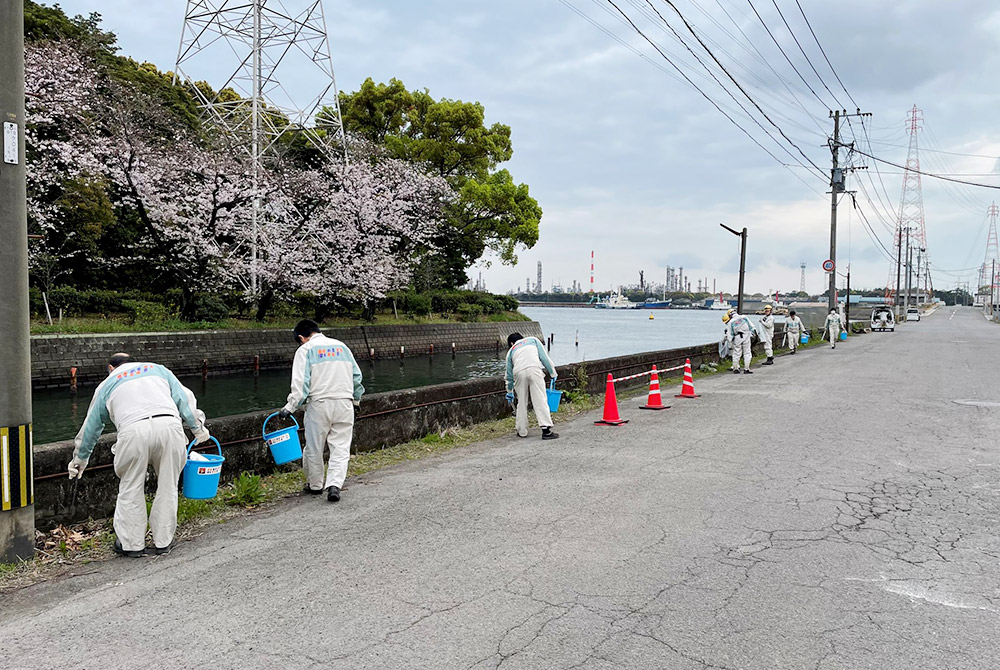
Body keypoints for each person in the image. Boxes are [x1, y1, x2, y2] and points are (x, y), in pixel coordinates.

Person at [68, 353, 210, 558]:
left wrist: (80, 459)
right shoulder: (159, 369)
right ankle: (163, 542)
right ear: (135, 361)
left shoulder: (107, 383)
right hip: (169, 425)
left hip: (133, 431)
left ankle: (132, 545)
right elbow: (184, 399)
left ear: (110, 368)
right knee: (167, 485)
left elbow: (92, 426)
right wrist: (198, 429)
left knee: (130, 486)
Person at [278, 319, 364, 502]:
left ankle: (315, 485)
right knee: (340, 447)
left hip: (319, 403)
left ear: (301, 337)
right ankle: (334, 485)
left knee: (314, 447)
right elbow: (357, 377)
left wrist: (290, 407)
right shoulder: (342, 347)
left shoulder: (305, 350)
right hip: (345, 402)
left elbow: (301, 384)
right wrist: (356, 401)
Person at [505, 332, 559, 439]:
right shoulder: (533, 340)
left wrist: (509, 391)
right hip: (534, 369)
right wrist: (553, 373)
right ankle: (546, 430)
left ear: (511, 343)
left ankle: (522, 431)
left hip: (518, 372)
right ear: (522, 338)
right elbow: (544, 358)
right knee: (540, 399)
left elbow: (509, 374)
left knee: (521, 401)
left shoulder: (511, 351)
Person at [722, 308, 754, 374]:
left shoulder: (731, 322)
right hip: (746, 335)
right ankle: (746, 369)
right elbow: (751, 326)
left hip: (737, 337)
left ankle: (735, 368)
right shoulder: (744, 317)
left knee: (736, 353)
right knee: (747, 352)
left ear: (730, 315)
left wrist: (730, 342)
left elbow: (729, 334)